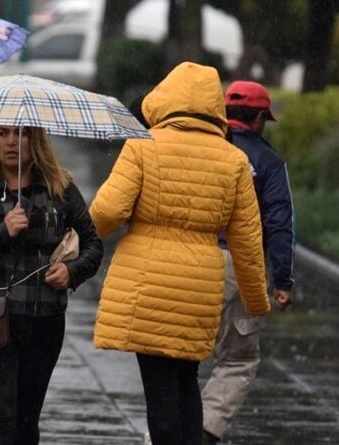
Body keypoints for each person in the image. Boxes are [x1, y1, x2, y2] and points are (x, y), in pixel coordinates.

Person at [88, 61, 271, 445]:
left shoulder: (142, 145)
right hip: (200, 286)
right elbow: (247, 240)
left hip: (146, 284)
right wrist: (256, 300)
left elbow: (108, 211)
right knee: (186, 379)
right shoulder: (234, 160)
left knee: (159, 390)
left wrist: (79, 238)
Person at [0, 125, 103, 444]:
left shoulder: (60, 187)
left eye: (21, 134)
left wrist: (72, 272)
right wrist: (3, 231)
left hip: (44, 317)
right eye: (2, 134)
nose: (11, 142)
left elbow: (93, 244)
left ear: (36, 140)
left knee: (27, 419)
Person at [200, 81, 295, 444]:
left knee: (179, 360)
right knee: (237, 359)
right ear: (259, 119)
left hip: (196, 261)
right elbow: (280, 222)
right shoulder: (269, 161)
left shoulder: (206, 148)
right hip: (243, 266)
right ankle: (205, 429)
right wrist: (283, 280)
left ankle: (160, 435)